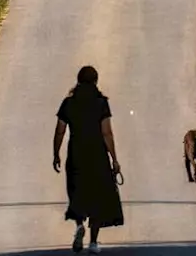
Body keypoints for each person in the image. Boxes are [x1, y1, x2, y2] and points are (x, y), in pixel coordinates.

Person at [53, 66, 123, 253]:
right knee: (97, 197)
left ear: (78, 80)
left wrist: (56, 154)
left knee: (77, 191)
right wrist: (114, 159)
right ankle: (93, 242)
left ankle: (78, 225)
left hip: (76, 154)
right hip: (97, 155)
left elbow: (60, 130)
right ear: (95, 81)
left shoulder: (68, 103)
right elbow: (106, 132)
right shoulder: (101, 103)